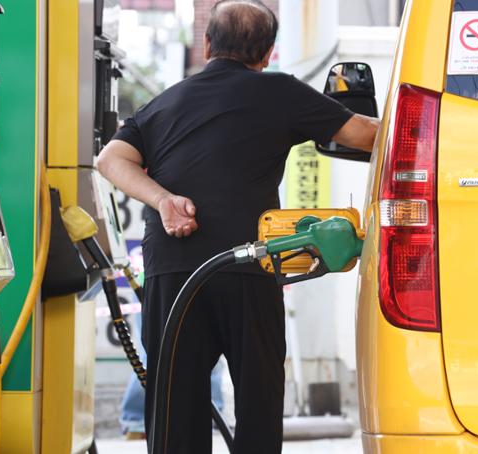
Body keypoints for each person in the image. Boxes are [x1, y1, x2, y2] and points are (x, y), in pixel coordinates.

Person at [97, 1, 379, 452]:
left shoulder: (165, 102)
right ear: (267, 54)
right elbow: (365, 136)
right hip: (250, 268)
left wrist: (164, 200)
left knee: (174, 410)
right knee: (258, 402)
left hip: (175, 270)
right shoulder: (282, 92)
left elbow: (110, 159)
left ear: (207, 44)